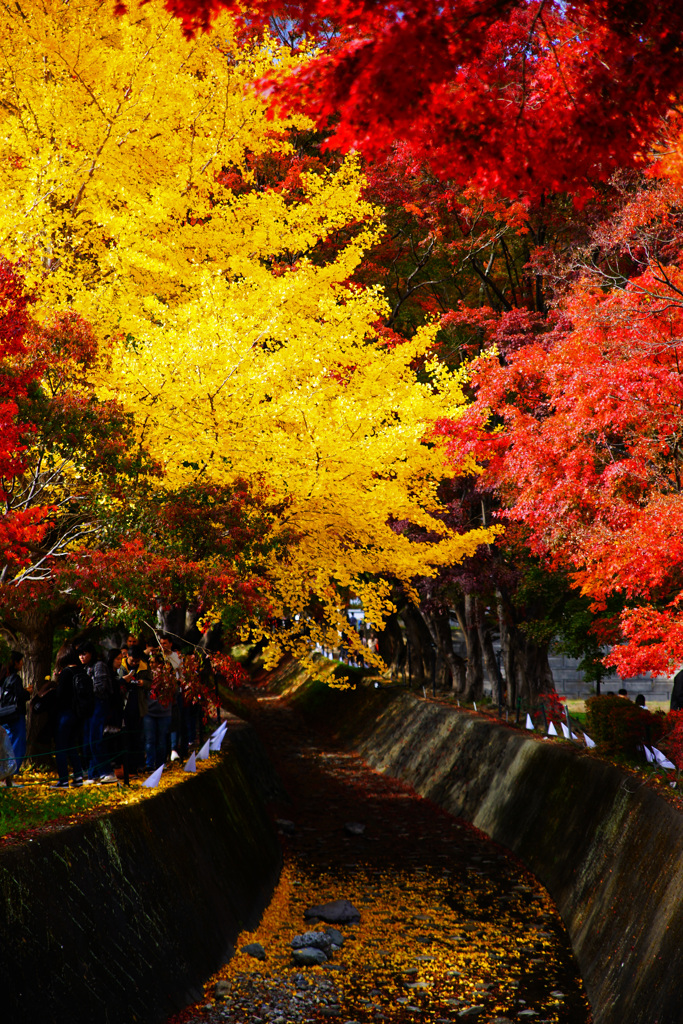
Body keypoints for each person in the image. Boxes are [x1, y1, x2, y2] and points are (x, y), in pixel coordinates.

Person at [78, 642, 117, 784]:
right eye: (80, 654)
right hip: (89, 706)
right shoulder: (84, 667)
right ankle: (93, 774)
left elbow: (101, 688)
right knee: (89, 741)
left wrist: (84, 690)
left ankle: (107, 772)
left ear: (91, 653)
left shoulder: (99, 665)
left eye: (84, 653)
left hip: (99, 704)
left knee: (96, 739)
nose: (82, 657)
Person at [51, 643, 85, 788]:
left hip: (65, 714)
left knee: (60, 747)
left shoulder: (65, 673)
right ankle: (78, 776)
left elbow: (60, 696)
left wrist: (55, 680)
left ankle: (63, 779)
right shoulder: (81, 671)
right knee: (72, 746)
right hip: (79, 714)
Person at [0, 651, 30, 780]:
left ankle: (6, 772)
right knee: (18, 743)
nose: (22, 664)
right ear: (16, 662)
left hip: (5, 715)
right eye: (21, 661)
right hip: (15, 715)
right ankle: (11, 774)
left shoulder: (4, 677)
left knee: (8, 743)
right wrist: (27, 692)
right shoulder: (15, 678)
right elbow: (18, 697)